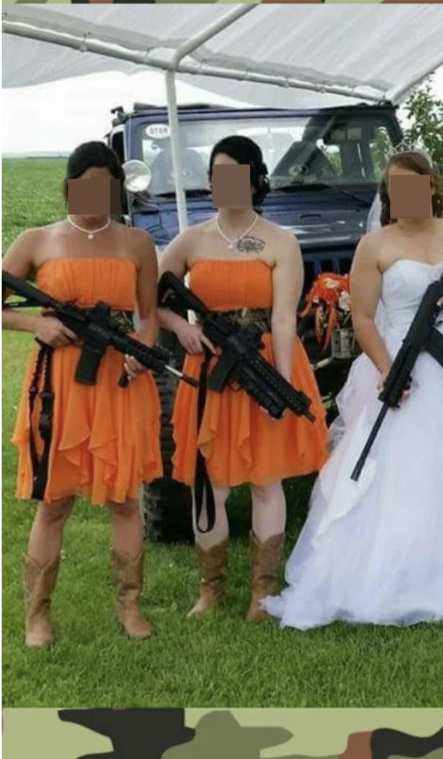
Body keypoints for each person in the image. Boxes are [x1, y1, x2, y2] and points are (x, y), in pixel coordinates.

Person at [262, 149, 443, 628]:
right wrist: (386, 369)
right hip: (400, 360)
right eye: (398, 188)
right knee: (398, 474)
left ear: (431, 188)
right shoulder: (374, 245)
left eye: (417, 186)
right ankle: (395, 576)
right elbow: (364, 317)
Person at [157, 135, 328, 623]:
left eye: (235, 175)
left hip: (261, 367)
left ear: (255, 180)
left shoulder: (280, 240)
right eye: (216, 175)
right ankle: (211, 590)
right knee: (209, 484)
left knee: (266, 482)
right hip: (209, 372)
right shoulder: (191, 240)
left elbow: (282, 321)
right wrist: (181, 327)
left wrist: (277, 388)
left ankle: (261, 593)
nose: (223, 184)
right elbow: (151, 297)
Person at [3, 142, 161, 646]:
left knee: (125, 501)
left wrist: (143, 352)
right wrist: (34, 324)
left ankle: (129, 606)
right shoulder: (36, 240)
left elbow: (150, 315)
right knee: (53, 503)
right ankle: (37, 615)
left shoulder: (136, 243)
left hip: (120, 383)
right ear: (69, 186)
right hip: (57, 388)